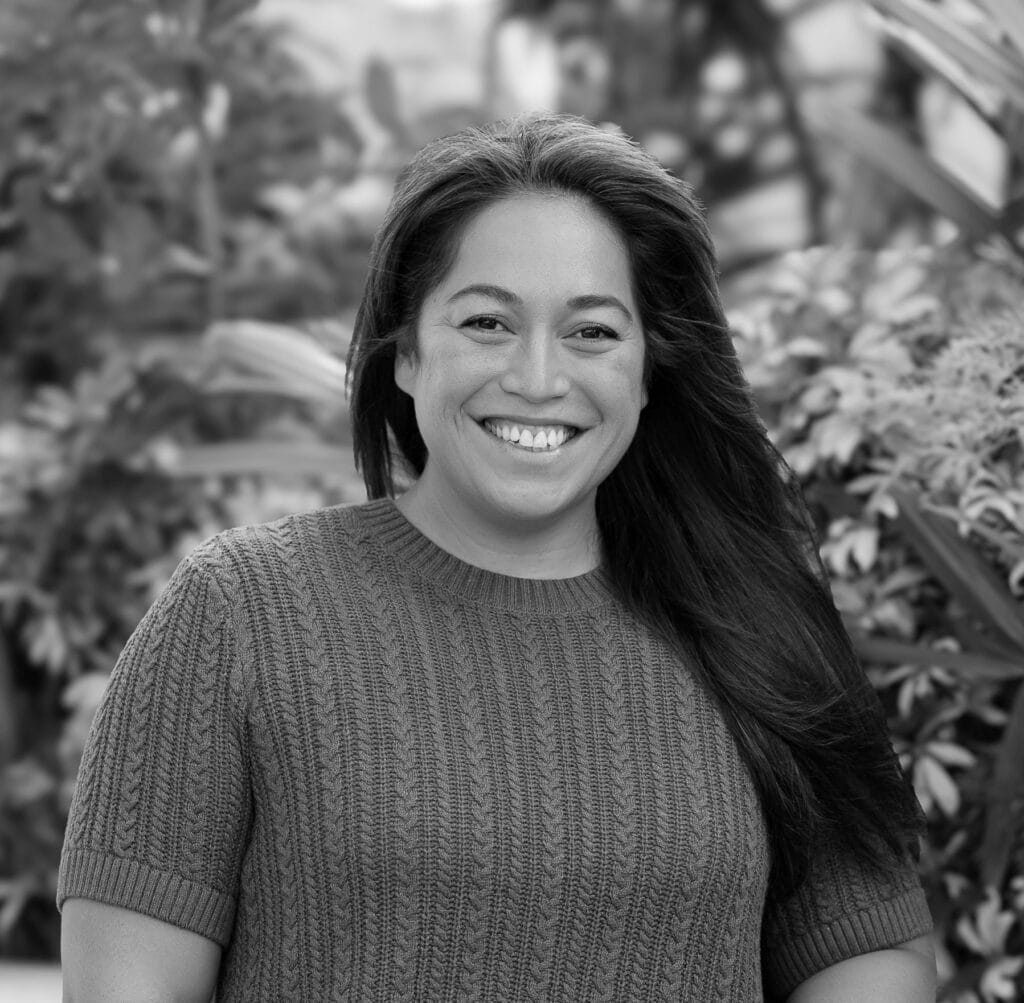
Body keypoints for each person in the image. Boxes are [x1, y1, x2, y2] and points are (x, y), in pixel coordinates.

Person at [58, 113, 936, 1002]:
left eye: (592, 331)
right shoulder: (239, 612)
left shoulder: (754, 621)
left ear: (647, 370)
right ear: (406, 354)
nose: (539, 377)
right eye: (487, 322)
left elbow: (868, 947)